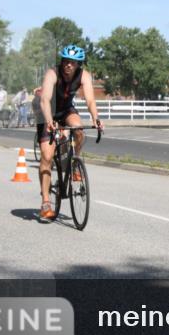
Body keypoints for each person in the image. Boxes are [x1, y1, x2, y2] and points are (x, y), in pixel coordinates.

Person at [37, 45, 104, 220]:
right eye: (66, 61)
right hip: (47, 112)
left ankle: (76, 162)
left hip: (66, 110)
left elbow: (90, 100)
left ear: (78, 64)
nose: (68, 65)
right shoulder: (52, 73)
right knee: (47, 156)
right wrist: (50, 121)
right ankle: (45, 202)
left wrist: (96, 118)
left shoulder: (84, 75)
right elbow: (45, 99)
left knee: (78, 129)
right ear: (62, 62)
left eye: (73, 63)